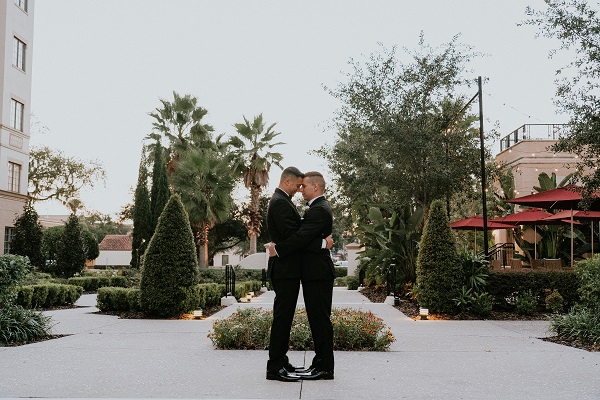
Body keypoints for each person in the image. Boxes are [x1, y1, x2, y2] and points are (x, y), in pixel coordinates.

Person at [265, 167, 329, 382]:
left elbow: (299, 233)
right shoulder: (281, 202)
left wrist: (282, 247)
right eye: (298, 185)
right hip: (285, 269)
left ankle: (281, 362)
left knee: (288, 318)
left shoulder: (285, 201)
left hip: (292, 269)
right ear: (288, 181)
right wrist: (322, 242)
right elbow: (296, 235)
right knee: (282, 318)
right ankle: (275, 366)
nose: (300, 189)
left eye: (303, 186)